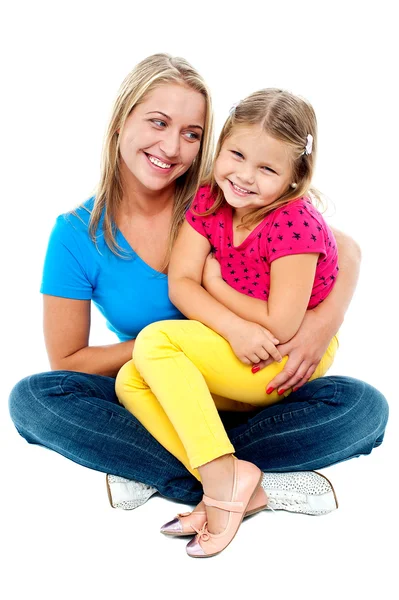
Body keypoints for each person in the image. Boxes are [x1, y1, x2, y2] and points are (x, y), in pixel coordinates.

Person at [8, 54, 388, 534]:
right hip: (159, 399)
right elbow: (67, 362)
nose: (171, 146)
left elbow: (344, 249)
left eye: (192, 134)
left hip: (253, 390)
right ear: (121, 120)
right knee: (35, 398)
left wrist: (318, 328)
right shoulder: (75, 234)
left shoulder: (223, 195)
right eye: (158, 123)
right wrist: (167, 348)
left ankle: (171, 470)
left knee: (363, 408)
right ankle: (243, 482)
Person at [115, 88, 341, 558]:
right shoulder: (209, 202)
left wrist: (214, 285)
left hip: (282, 354)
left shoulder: (294, 224)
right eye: (236, 154)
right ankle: (229, 476)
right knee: (131, 380)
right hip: (234, 338)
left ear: (295, 176)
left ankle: (222, 480)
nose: (243, 176)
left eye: (267, 169)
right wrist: (233, 324)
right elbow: (181, 282)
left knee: (154, 342)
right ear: (220, 148)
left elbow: (281, 323)